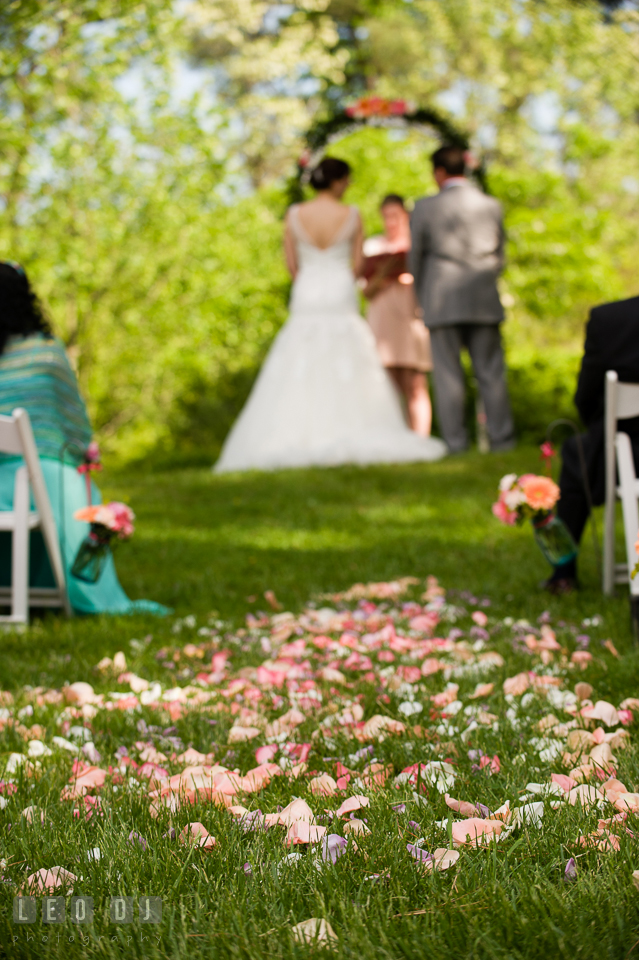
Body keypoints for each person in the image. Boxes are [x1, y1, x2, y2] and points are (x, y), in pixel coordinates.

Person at [214, 158, 446, 472]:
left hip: (308, 290)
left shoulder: (295, 214)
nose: (348, 186)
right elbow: (358, 267)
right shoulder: (351, 215)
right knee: (347, 355)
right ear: (337, 182)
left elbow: (292, 265)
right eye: (347, 180)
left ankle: (294, 432)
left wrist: (310, 277)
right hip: (339, 289)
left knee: (299, 358)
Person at [0, 261, 167, 616]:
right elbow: (73, 422)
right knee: (78, 492)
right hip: (41, 477)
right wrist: (82, 454)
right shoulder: (45, 352)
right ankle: (87, 595)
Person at [409, 145, 515, 453]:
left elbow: (415, 257)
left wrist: (420, 297)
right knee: (491, 373)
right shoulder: (490, 205)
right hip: (484, 297)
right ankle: (502, 442)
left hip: (442, 299)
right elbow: (500, 254)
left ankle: (456, 444)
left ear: (439, 172)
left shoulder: (425, 207)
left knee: (448, 376)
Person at [545, 295, 639, 597]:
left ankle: (563, 573)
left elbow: (587, 393)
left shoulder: (611, 318)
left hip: (625, 450)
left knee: (578, 453)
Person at [362, 194, 433, 437]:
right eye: (386, 216)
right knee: (387, 388)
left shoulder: (418, 246)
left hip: (410, 320)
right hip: (382, 323)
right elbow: (366, 292)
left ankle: (420, 440)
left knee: (415, 384)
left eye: (395, 215)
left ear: (406, 216)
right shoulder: (372, 246)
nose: (390, 221)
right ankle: (393, 439)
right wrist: (384, 275)